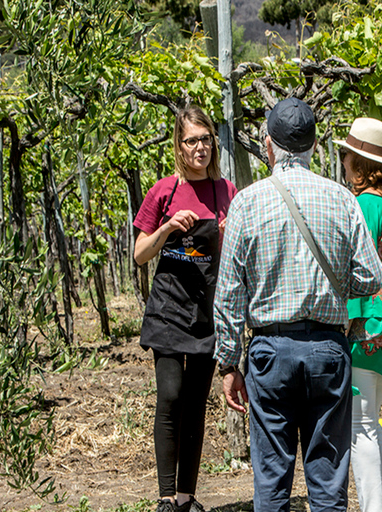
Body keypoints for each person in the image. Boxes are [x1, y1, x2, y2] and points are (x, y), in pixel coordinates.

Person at [213, 97, 382, 512]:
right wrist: (333, 289)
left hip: (270, 353)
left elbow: (229, 295)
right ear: (312, 147)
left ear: (268, 146)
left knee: (271, 480)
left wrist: (229, 363)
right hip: (328, 349)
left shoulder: (246, 202)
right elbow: (371, 276)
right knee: (328, 481)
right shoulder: (341, 199)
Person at [133, 106, 238, 512]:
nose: (200, 147)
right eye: (192, 140)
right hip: (168, 308)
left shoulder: (225, 191)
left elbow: (231, 258)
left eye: (206, 138)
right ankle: (163, 496)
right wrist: (167, 226)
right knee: (171, 396)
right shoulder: (164, 191)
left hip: (206, 313)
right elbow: (140, 255)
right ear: (179, 146)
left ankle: (185, 496)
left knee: (196, 403)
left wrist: (228, 234)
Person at [335, 118, 382, 512]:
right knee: (371, 424)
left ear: (360, 164)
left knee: (358, 429)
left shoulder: (365, 204)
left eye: (346, 155)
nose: (342, 161)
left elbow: (352, 266)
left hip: (366, 325)